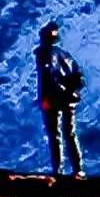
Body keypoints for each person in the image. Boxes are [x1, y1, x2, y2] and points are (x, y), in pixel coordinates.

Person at [34, 22, 88, 177]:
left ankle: (58, 170)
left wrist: (45, 99)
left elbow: (46, 79)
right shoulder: (65, 55)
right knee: (69, 133)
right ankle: (78, 169)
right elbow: (79, 75)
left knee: (55, 134)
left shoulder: (43, 55)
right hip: (69, 98)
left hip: (54, 98)